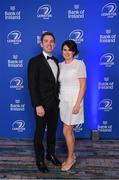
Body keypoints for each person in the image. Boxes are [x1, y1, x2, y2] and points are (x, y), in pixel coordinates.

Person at [27, 32, 61, 173]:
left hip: (55, 104)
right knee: (40, 133)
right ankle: (40, 159)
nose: (49, 43)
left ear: (54, 43)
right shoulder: (34, 61)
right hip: (41, 104)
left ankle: (50, 154)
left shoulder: (57, 60)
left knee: (52, 131)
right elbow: (32, 85)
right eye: (46, 41)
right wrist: (37, 105)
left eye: (52, 41)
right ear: (41, 44)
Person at [59, 40, 87, 171]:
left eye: (70, 50)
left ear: (74, 52)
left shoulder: (79, 64)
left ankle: (70, 158)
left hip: (74, 102)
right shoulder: (60, 65)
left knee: (66, 130)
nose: (67, 52)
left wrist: (77, 104)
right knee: (69, 131)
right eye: (64, 49)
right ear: (62, 51)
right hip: (63, 102)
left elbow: (83, 86)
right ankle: (73, 155)